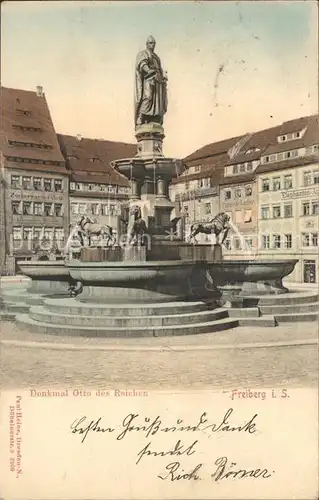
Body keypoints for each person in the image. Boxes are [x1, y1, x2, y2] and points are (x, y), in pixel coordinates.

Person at [134, 35, 168, 126]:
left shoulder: (157, 57)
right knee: (148, 97)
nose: (152, 45)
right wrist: (148, 70)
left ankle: (154, 118)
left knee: (157, 100)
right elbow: (142, 63)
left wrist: (163, 76)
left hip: (158, 80)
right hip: (149, 78)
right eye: (150, 43)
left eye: (153, 43)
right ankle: (141, 116)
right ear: (147, 44)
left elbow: (159, 69)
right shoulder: (143, 53)